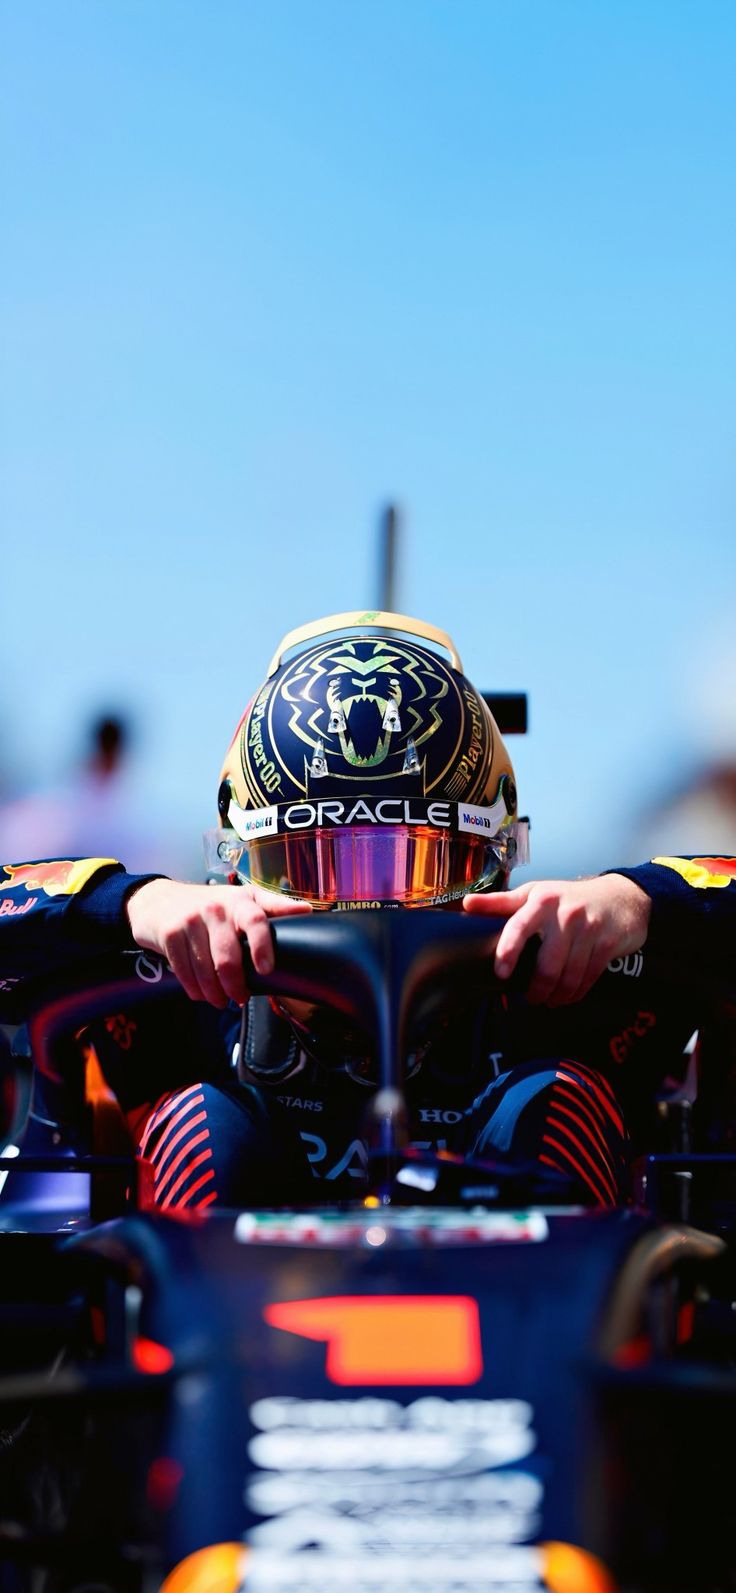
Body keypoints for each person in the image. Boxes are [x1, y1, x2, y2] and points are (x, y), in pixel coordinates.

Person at [1, 611, 734, 1212]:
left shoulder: (572, 982)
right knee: (207, 1127)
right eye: (319, 867)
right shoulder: (176, 997)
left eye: (414, 867)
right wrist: (130, 902)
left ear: (502, 857)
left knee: (555, 1105)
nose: (371, 908)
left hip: (544, 1356)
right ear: (233, 866)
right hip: (226, 1359)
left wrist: (639, 899)